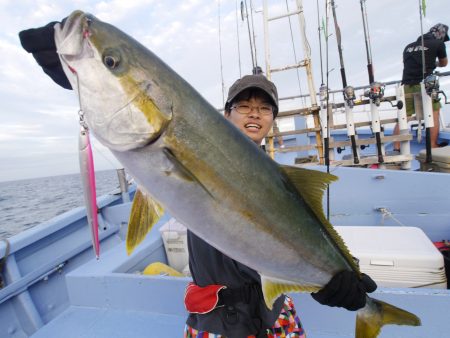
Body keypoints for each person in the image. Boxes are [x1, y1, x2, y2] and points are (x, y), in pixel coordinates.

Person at [19, 21, 377, 338]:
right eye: (244, 106)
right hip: (213, 320)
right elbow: (125, 102)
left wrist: (331, 282)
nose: (254, 113)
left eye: (264, 108)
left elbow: (301, 244)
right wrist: (79, 70)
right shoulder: (188, 139)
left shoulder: (285, 181)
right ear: (226, 114)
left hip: (274, 312)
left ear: (272, 120)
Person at [394, 23, 449, 151]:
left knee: (404, 117)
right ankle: (432, 145)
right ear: (440, 34)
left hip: (406, 86)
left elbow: (407, 63)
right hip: (425, 86)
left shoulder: (408, 47)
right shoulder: (438, 44)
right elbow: (444, 63)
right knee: (434, 113)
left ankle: (396, 147)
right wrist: (435, 64)